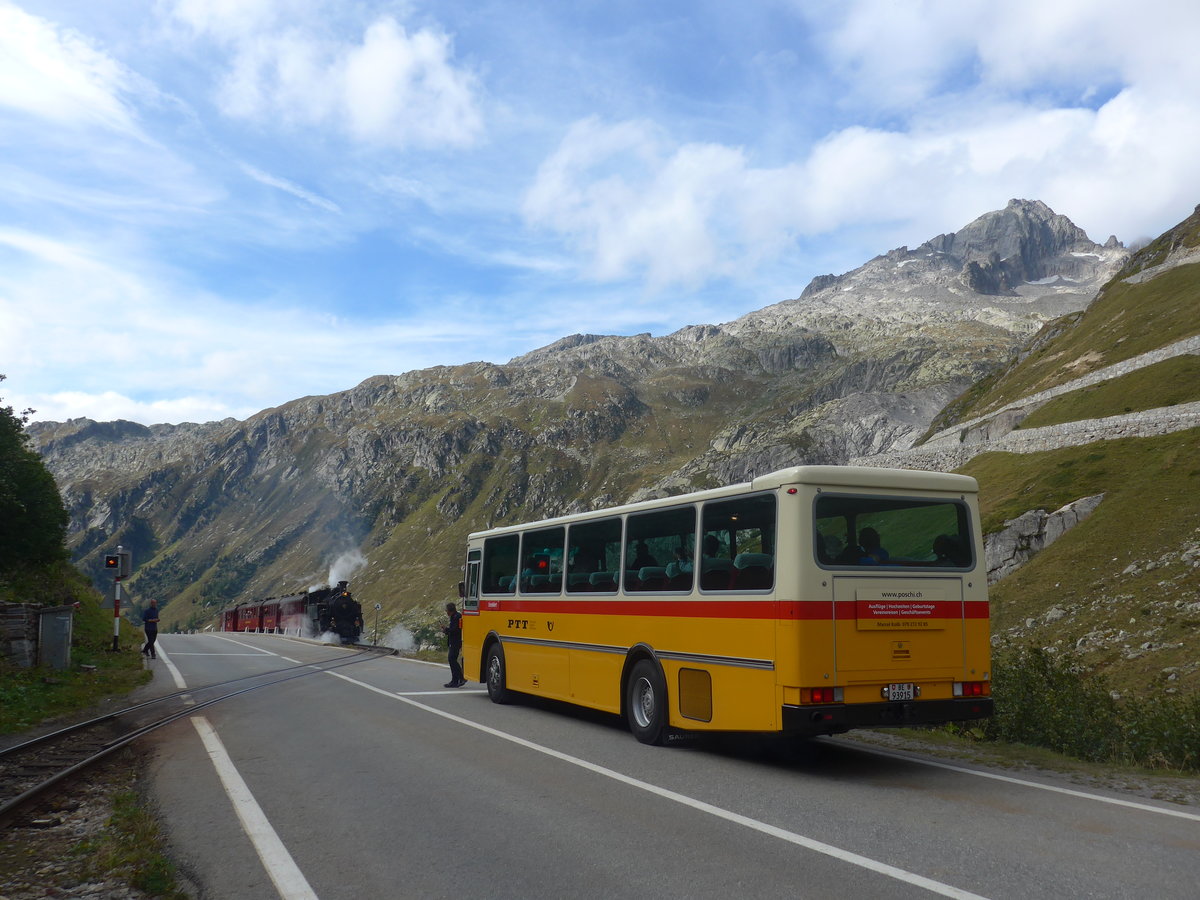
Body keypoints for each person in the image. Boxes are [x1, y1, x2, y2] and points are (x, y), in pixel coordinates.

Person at [443, 601, 465, 688]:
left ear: (450, 610)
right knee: (452, 660)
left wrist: (446, 629)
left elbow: (455, 630)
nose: (446, 612)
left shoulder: (456, 617)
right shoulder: (455, 616)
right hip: (454, 641)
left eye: (447, 610)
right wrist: (446, 630)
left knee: (452, 659)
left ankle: (459, 678)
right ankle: (456, 680)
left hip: (455, 642)